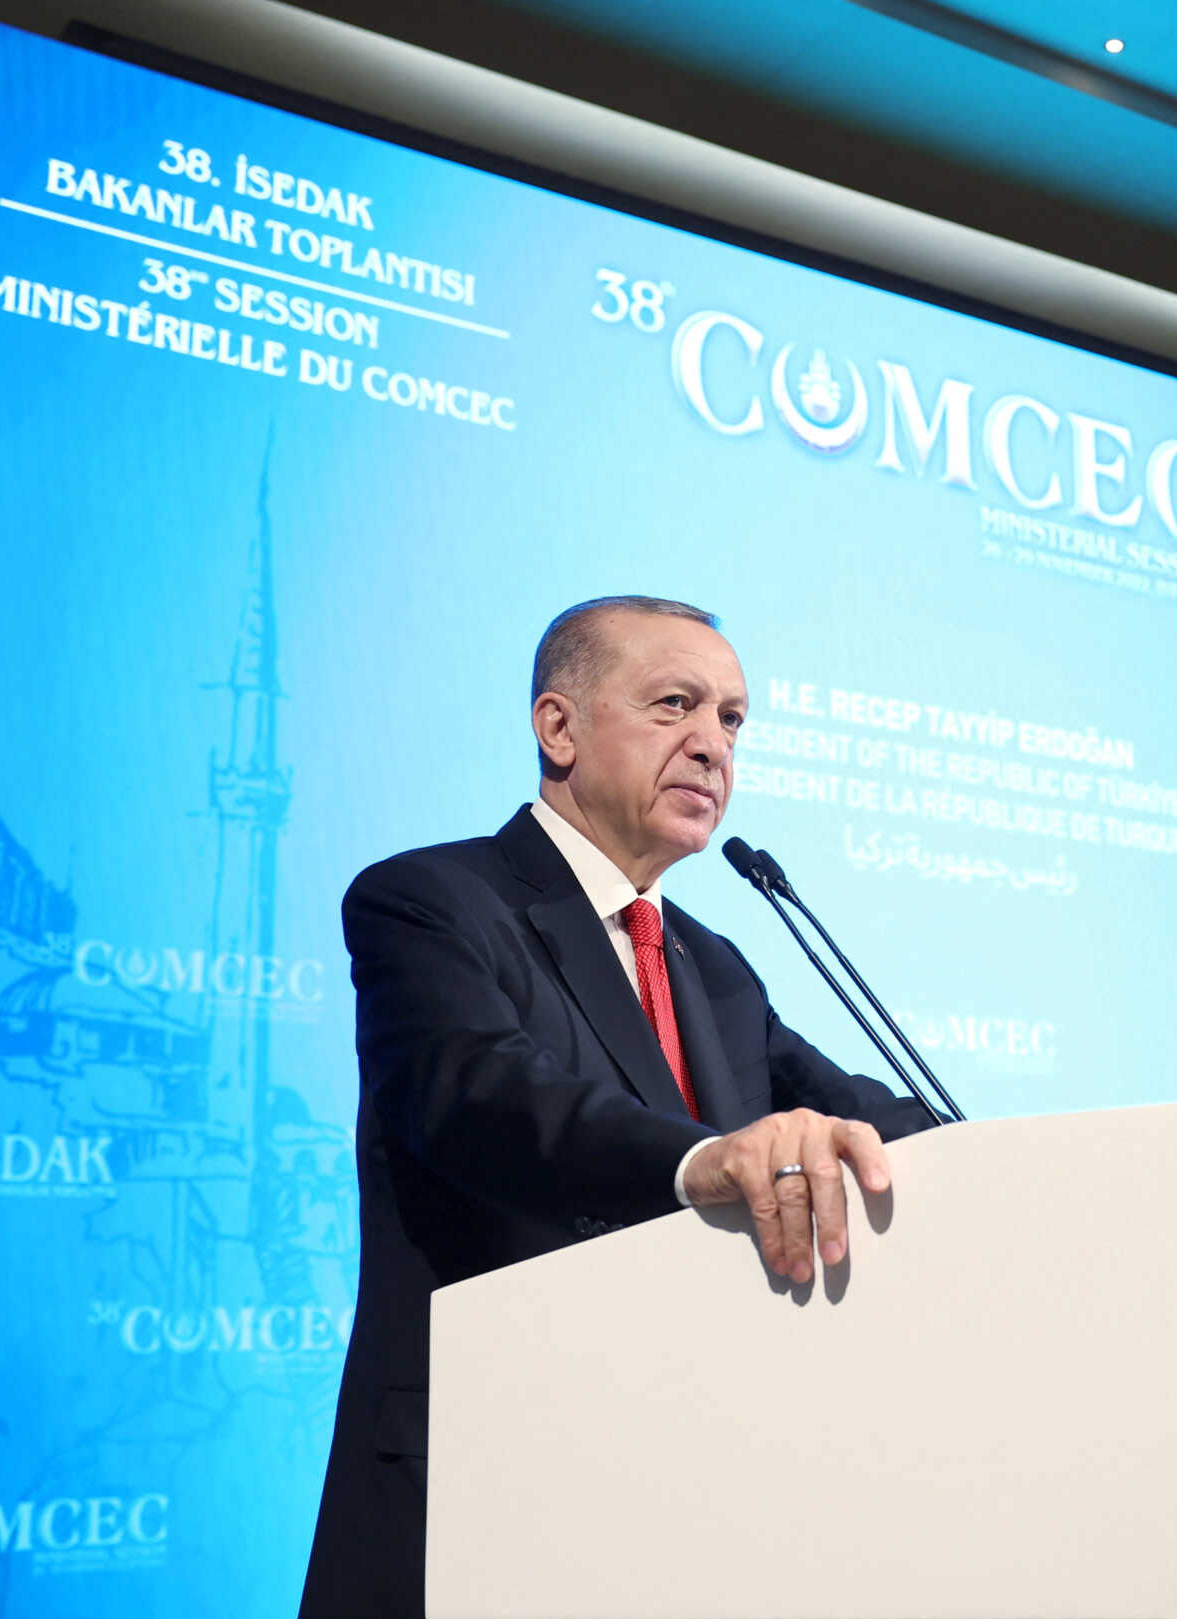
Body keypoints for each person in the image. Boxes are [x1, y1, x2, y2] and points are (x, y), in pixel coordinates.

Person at [300, 597, 940, 1619]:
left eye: (732, 718)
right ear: (558, 727)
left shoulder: (713, 965)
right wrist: (703, 1162)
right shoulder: (429, 900)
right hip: (479, 1482)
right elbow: (480, 1096)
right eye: (675, 704)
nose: (713, 744)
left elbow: (858, 1113)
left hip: (678, 1493)